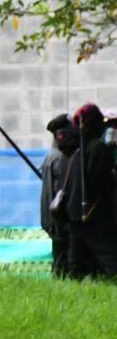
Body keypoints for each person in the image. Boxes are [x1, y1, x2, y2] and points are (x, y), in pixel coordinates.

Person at [61, 103, 117, 278]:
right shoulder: (97, 148)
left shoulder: (73, 148)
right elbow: (99, 181)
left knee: (75, 261)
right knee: (109, 257)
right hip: (93, 213)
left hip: (73, 213)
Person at [38, 114, 73, 278]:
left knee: (59, 257)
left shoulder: (49, 157)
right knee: (63, 260)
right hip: (60, 218)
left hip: (51, 217)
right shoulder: (61, 158)